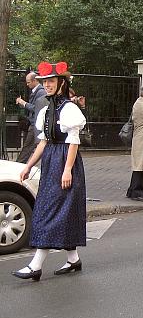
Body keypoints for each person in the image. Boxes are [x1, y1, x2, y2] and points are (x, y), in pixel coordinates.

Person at [12, 61, 87, 281]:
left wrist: (67, 170)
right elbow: (43, 143)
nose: (48, 85)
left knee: (50, 211)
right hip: (51, 162)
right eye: (45, 82)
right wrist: (28, 166)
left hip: (65, 161)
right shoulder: (46, 110)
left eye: (52, 81)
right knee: (56, 210)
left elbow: (74, 142)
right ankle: (73, 259)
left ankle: (36, 265)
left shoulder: (70, 109)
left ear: (61, 83)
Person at [15, 71, 47, 163]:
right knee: (30, 146)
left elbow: (36, 108)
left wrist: (23, 103)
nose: (27, 84)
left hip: (35, 124)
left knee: (28, 147)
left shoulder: (40, 92)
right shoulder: (37, 91)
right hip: (34, 123)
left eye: (28, 82)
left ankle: (19, 165)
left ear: (35, 81)